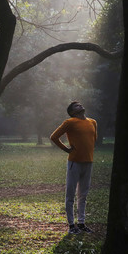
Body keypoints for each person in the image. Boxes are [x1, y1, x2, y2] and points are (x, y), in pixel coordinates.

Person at [50, 100, 97, 235]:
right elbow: (54, 137)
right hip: (74, 162)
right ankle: (71, 225)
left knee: (83, 194)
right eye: (76, 106)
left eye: (80, 104)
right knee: (70, 194)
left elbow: (94, 139)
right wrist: (66, 149)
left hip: (88, 162)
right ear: (72, 112)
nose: (80, 105)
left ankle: (81, 223)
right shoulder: (69, 122)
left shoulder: (93, 122)